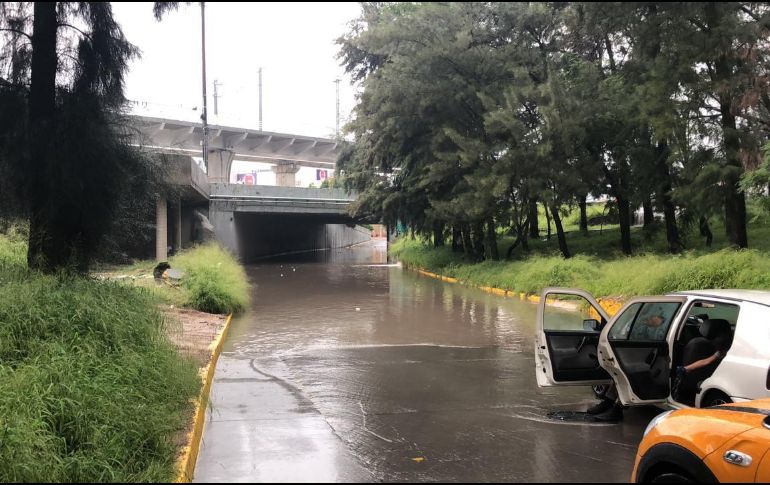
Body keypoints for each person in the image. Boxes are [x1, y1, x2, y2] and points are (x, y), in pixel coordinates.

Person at [587, 310, 669, 421]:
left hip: (657, 363)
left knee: (629, 374)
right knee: (620, 373)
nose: (646, 321)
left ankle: (617, 409)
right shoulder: (650, 328)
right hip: (649, 359)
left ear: (657, 317)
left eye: (649, 318)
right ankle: (608, 402)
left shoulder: (663, 331)